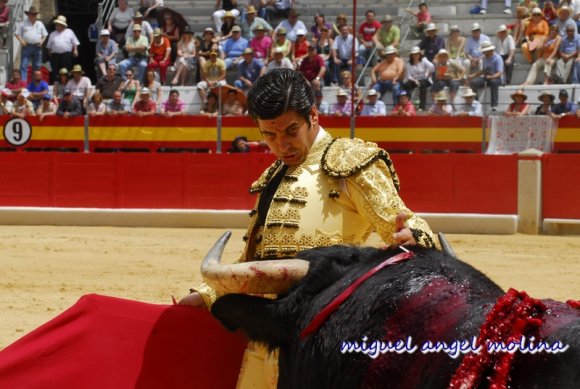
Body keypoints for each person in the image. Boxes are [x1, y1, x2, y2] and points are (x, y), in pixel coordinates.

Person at [180, 68, 436, 388]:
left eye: (290, 130)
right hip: (267, 334)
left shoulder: (348, 162)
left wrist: (415, 236)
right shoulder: (273, 177)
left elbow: (407, 222)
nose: (281, 145)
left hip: (323, 332)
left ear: (313, 115)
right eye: (269, 135)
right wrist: (208, 295)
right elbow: (255, 260)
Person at [468, 41, 504, 112]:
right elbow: (484, 70)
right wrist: (474, 75)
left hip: (496, 78)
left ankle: (494, 105)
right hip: (487, 77)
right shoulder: (485, 58)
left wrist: (492, 77)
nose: (484, 53)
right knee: (473, 83)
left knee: (493, 83)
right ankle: (475, 102)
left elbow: (500, 73)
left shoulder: (498, 58)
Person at [15, 6, 47, 82]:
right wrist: (22, 41)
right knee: (24, 65)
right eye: (32, 14)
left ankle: (35, 83)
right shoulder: (23, 23)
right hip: (27, 46)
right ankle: (24, 84)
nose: (33, 16)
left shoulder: (40, 23)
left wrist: (42, 41)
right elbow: (16, 34)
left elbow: (45, 34)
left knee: (37, 66)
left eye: (34, 14)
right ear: (28, 14)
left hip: (37, 46)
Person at [46, 15, 79, 83]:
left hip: (66, 55)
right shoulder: (53, 34)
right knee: (56, 71)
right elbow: (49, 46)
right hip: (55, 56)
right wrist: (50, 55)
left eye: (58, 24)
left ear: (62, 25)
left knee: (67, 71)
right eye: (56, 24)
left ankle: (68, 84)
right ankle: (56, 85)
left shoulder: (69, 32)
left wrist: (75, 50)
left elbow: (75, 42)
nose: (56, 25)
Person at [402, 46, 433, 111]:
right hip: (414, 80)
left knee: (423, 85)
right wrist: (414, 80)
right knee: (405, 85)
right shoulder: (409, 64)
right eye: (414, 54)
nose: (416, 55)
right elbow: (409, 76)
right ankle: (407, 104)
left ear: (419, 54)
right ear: (411, 55)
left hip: (424, 79)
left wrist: (429, 74)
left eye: (417, 54)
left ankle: (422, 106)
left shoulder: (424, 60)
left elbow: (432, 66)